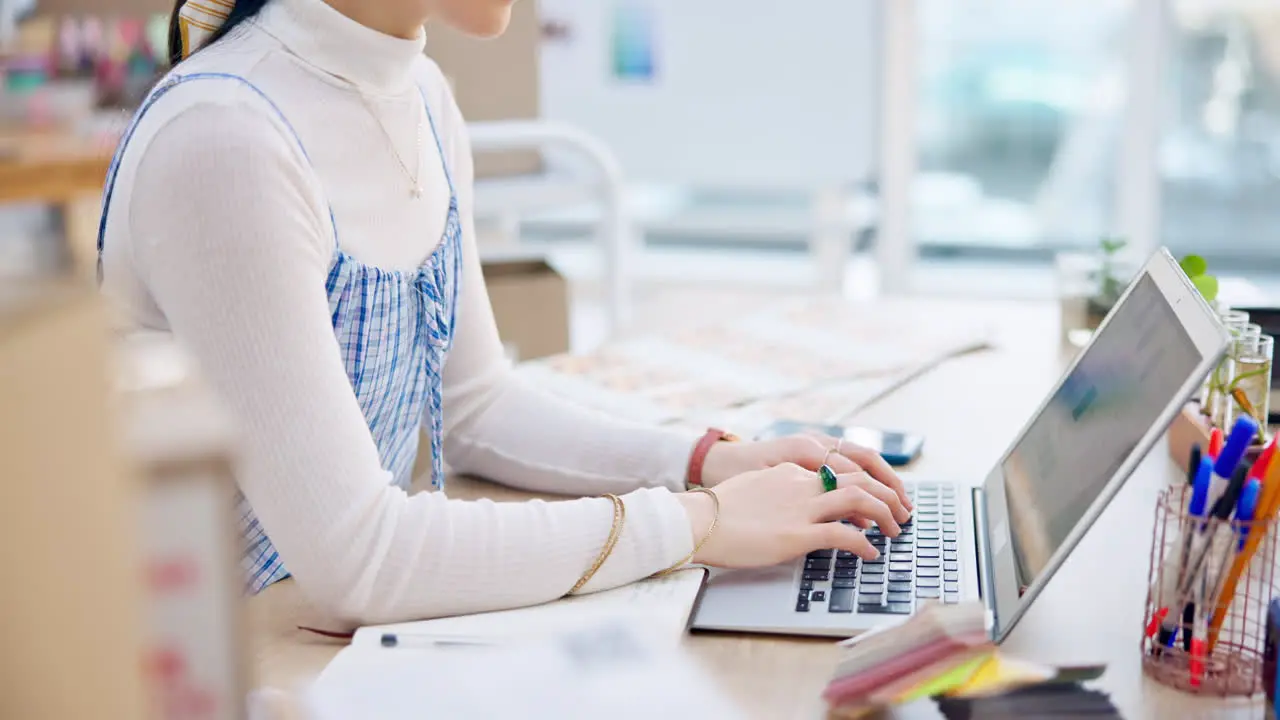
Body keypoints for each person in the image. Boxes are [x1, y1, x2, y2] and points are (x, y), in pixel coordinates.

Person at [99, 0, 912, 626]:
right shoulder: (226, 139)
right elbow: (362, 559)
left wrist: (708, 462)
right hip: (205, 665)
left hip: (312, 641)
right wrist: (700, 523)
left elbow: (477, 406)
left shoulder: (420, 92)